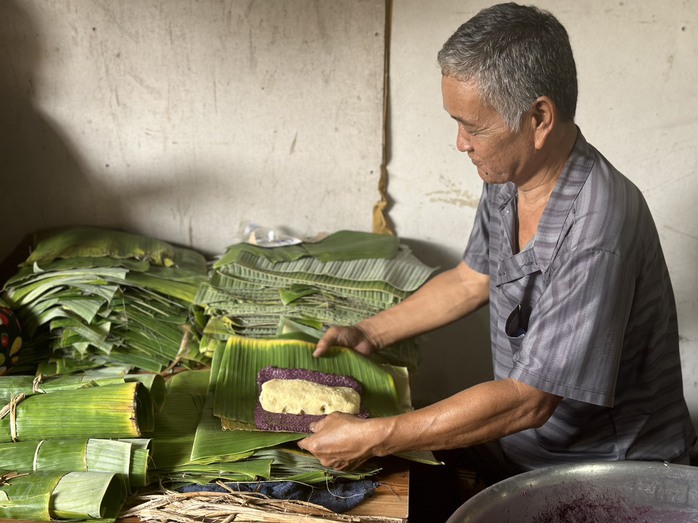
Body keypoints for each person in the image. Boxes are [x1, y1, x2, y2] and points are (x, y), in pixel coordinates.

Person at [298, 2, 696, 482]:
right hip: (524, 448)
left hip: (608, 469)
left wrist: (376, 436)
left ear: (539, 118)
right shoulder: (508, 175)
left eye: (474, 126)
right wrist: (371, 333)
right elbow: (471, 280)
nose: (461, 143)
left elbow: (530, 399)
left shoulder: (598, 224)